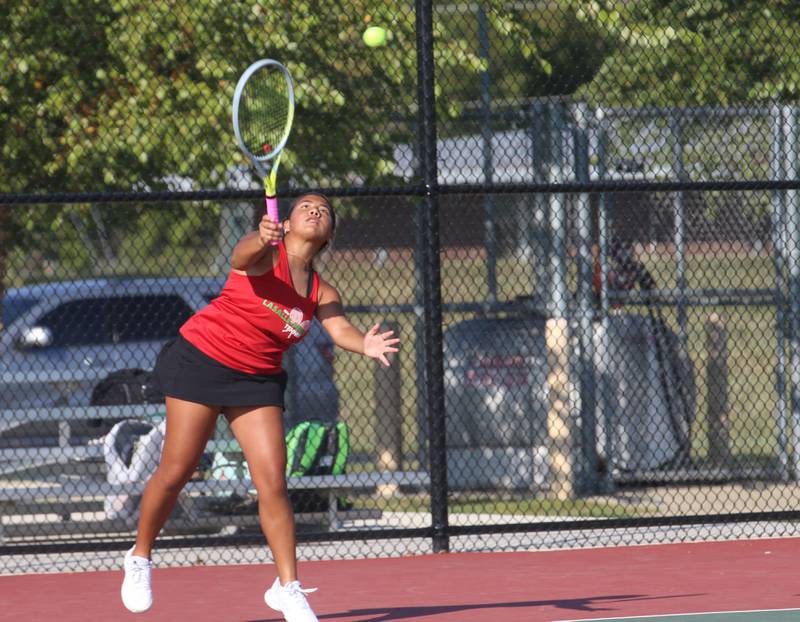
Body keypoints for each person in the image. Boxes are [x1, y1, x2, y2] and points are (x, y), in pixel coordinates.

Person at [120, 193, 399, 622]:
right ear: (284, 224)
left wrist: (364, 342)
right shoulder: (265, 254)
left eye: (324, 210)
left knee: (272, 483)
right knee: (176, 471)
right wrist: (260, 237)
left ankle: (287, 588)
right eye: (306, 205)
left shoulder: (322, 289)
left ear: (329, 236)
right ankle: (139, 558)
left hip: (257, 380)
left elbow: (339, 326)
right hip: (201, 360)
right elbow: (241, 253)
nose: (315, 210)